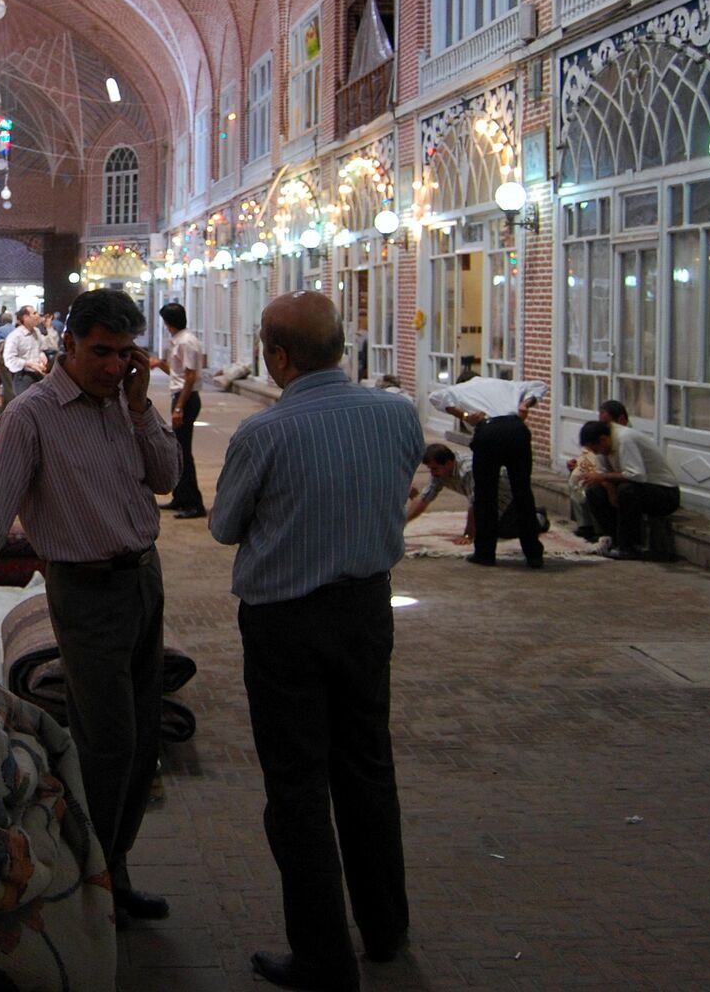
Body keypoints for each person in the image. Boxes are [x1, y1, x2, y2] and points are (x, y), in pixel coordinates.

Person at [0, 289, 180, 922]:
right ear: (70, 345)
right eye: (101, 353)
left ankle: (112, 870)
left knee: (142, 745)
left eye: (124, 354)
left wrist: (141, 408)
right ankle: (84, 885)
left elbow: (166, 478)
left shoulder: (126, 404)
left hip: (143, 580)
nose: (113, 367)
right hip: (84, 591)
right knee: (107, 744)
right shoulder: (32, 416)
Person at [212, 292, 425, 990]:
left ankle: (324, 956)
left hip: (286, 625)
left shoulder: (263, 434)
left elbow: (223, 527)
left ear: (276, 357)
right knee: (367, 767)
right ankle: (386, 930)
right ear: (342, 346)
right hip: (367, 610)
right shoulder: (398, 415)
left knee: (298, 786)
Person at [428, 379, 546, 567]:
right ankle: (533, 554)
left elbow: (435, 397)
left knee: (485, 494)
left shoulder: (462, 388)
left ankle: (485, 553)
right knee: (523, 492)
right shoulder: (508, 384)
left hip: (488, 430)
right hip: (516, 428)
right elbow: (540, 385)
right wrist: (525, 404)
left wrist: (465, 415)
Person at [578, 419, 681, 560]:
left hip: (664, 493)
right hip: (635, 488)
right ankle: (614, 539)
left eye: (596, 449)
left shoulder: (625, 439)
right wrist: (609, 489)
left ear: (603, 440)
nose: (597, 453)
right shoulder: (603, 449)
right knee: (594, 491)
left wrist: (605, 479)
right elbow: (602, 475)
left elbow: (637, 475)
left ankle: (629, 546)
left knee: (627, 490)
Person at [405, 443, 522, 557]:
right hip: (486, 499)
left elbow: (475, 503)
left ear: (449, 463)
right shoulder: (439, 472)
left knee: (500, 530)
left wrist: (468, 535)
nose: (432, 472)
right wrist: (403, 522)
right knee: (487, 527)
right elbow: (425, 497)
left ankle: (537, 516)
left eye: (434, 468)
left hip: (507, 494)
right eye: (430, 468)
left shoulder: (469, 470)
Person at [150, 302, 206, 519]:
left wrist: (179, 408)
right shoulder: (178, 341)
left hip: (186, 399)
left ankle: (194, 503)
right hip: (180, 395)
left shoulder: (187, 342)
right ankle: (181, 496)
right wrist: (158, 364)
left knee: (183, 451)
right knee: (178, 450)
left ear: (168, 323)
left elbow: (190, 378)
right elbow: (177, 372)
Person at [568, 420, 616, 542]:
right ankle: (585, 525)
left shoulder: (619, 440)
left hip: (615, 478)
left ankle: (605, 532)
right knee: (577, 477)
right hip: (600, 472)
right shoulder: (596, 440)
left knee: (594, 488)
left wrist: (605, 480)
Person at [1, 304, 47, 401]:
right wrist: (28, 364)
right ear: (25, 317)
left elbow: (40, 350)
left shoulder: (37, 332)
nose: (37, 315)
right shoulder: (15, 336)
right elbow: (9, 360)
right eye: (34, 313)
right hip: (23, 377)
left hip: (38, 375)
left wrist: (42, 358)